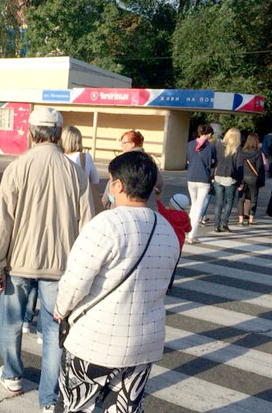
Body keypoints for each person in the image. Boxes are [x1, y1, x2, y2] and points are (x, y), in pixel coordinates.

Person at [0, 107, 94, 412]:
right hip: (61, 268)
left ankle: (13, 375)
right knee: (53, 333)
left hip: (19, 264)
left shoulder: (17, 168)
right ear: (59, 135)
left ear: (31, 134)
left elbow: (3, 222)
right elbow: (88, 226)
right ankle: (49, 400)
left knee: (10, 324)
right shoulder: (75, 173)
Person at [54, 151, 179, 413]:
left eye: (111, 181)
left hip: (95, 340)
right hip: (144, 342)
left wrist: (61, 309)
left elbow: (76, 281)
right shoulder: (167, 229)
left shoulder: (106, 224)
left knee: (75, 406)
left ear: (118, 184)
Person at [101, 130, 163, 209]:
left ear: (133, 144)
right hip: (146, 208)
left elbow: (111, 183)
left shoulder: (124, 161)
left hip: (121, 207)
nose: (121, 145)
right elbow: (160, 184)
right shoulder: (148, 161)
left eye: (124, 143)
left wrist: (103, 204)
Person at [186, 124, 217, 244]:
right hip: (204, 178)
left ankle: (187, 229)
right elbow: (214, 163)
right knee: (198, 207)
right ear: (209, 134)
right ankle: (191, 235)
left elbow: (188, 160)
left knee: (193, 205)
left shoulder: (190, 144)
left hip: (191, 177)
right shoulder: (211, 147)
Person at [61, 126, 103, 214]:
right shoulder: (85, 157)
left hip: (63, 203)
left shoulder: (59, 157)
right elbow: (95, 182)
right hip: (82, 205)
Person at [157, 192, 191, 290]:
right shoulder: (185, 216)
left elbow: (161, 210)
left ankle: (161, 284)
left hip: (166, 245)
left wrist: (158, 199)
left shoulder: (168, 214)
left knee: (163, 266)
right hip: (178, 247)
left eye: (170, 203)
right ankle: (169, 285)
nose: (169, 204)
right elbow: (189, 229)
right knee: (173, 267)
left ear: (175, 205)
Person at [212, 128, 242, 232]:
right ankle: (224, 223)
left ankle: (216, 225)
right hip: (230, 177)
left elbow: (214, 161)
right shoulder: (237, 148)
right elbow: (239, 166)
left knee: (218, 202)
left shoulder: (219, 145)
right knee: (229, 202)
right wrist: (240, 181)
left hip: (218, 176)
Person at [237, 133, 265, 225]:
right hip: (253, 177)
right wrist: (261, 182)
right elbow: (260, 168)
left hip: (243, 177)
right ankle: (251, 218)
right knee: (253, 198)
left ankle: (240, 220)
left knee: (241, 198)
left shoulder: (241, 152)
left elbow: (239, 165)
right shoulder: (258, 153)